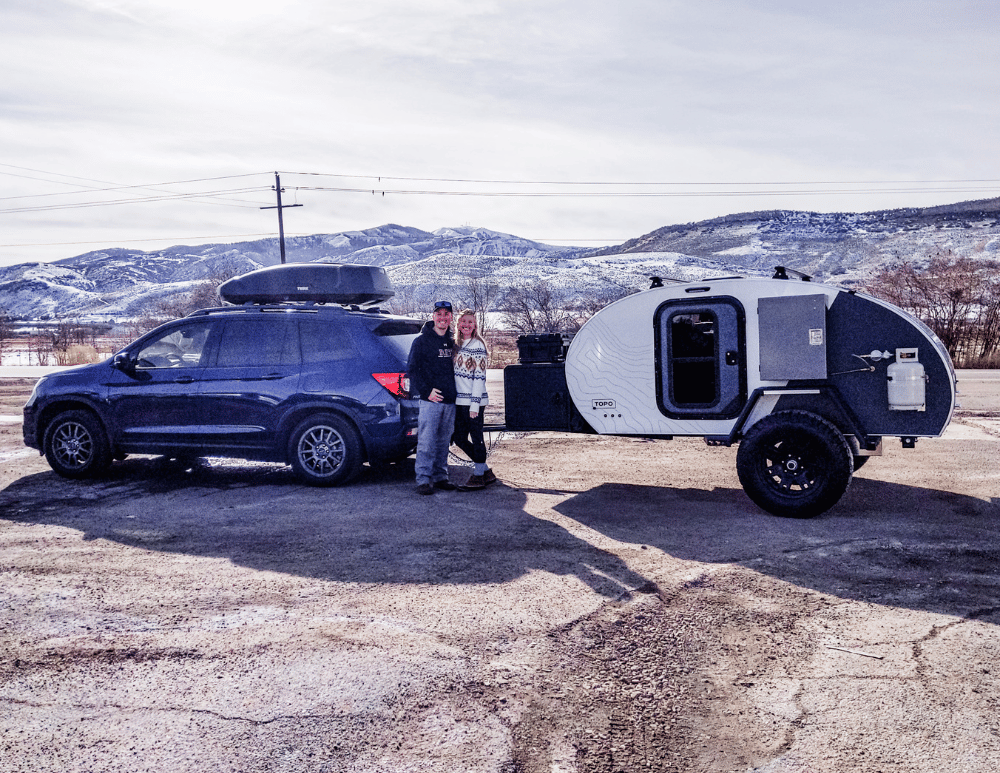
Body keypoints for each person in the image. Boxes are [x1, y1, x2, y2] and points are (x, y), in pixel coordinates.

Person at [407, 300, 458, 495]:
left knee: (443, 441)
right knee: (427, 441)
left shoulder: (453, 342)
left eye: (446, 314)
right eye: (439, 314)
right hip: (431, 401)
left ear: (451, 317)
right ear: (433, 316)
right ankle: (423, 479)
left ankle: (440, 476)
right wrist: (426, 391)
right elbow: (412, 370)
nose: (442, 318)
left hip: (450, 401)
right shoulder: (421, 341)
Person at [451, 309, 497, 490]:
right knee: (459, 438)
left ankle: (478, 475)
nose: (466, 325)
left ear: (475, 325)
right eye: (463, 322)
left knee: (476, 437)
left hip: (473, 402)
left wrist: (475, 404)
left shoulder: (478, 346)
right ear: (458, 325)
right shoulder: (458, 345)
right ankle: (485, 470)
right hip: (460, 402)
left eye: (470, 322)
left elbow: (479, 378)